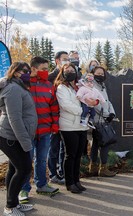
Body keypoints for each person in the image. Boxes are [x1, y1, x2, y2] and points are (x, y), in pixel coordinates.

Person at [19, 57, 59, 203]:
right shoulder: (23, 84)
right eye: (44, 69)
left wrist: (55, 124)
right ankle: (23, 189)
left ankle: (41, 184)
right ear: (34, 69)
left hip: (45, 131)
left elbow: (54, 107)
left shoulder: (49, 85)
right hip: (27, 131)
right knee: (25, 161)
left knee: (41, 160)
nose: (46, 71)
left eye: (47, 69)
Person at [0, 62, 37, 216]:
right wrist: (25, 143)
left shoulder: (19, 86)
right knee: (24, 169)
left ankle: (13, 203)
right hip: (11, 137)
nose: (28, 73)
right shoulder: (14, 89)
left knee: (14, 169)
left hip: (15, 137)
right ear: (15, 72)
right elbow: (15, 118)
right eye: (24, 71)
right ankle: (9, 207)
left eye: (29, 70)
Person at [54, 62, 97, 193]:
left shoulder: (80, 86)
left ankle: (77, 180)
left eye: (73, 69)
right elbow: (65, 105)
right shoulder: (62, 87)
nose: (70, 72)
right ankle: (70, 182)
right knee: (70, 155)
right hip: (68, 126)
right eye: (67, 70)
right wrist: (82, 111)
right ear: (62, 72)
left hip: (82, 125)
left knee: (79, 155)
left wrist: (91, 105)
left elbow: (88, 98)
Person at [89, 66, 117, 177]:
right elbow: (95, 103)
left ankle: (95, 168)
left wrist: (112, 113)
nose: (100, 75)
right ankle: (101, 168)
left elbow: (107, 101)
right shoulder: (91, 86)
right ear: (93, 74)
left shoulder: (102, 86)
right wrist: (107, 115)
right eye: (98, 73)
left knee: (97, 143)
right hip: (98, 119)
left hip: (105, 118)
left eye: (102, 73)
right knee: (103, 143)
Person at [47, 51, 68, 185]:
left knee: (63, 148)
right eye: (64, 59)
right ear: (57, 61)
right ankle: (53, 173)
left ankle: (62, 172)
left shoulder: (68, 76)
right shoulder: (50, 77)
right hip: (53, 118)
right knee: (53, 147)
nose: (67, 61)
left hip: (66, 118)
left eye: (68, 59)